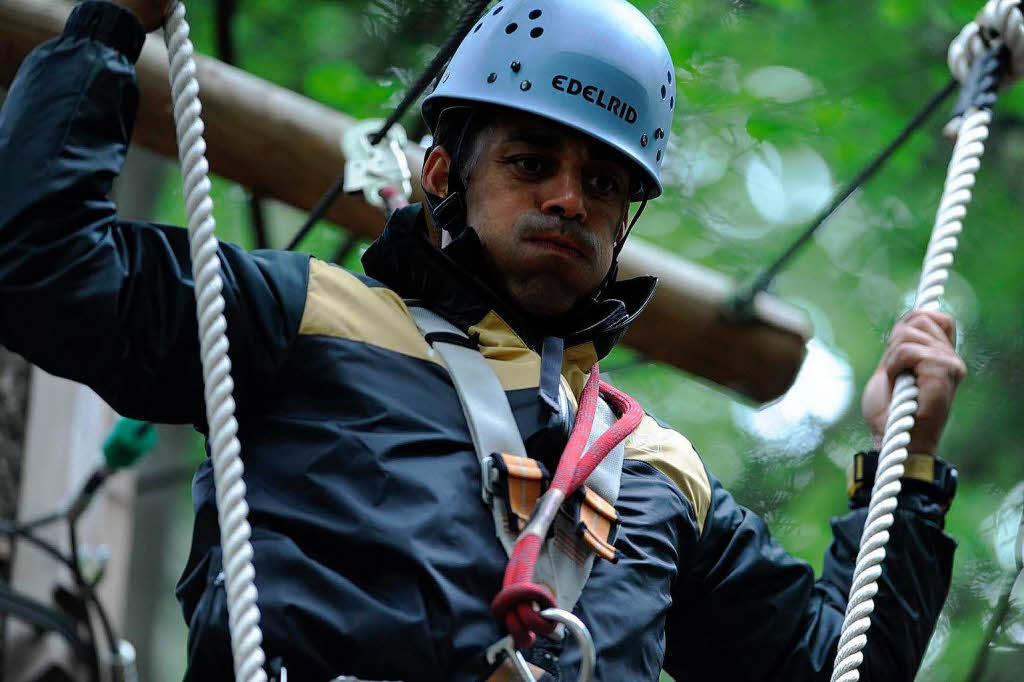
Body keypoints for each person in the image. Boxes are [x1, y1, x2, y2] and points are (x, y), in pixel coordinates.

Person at [0, 1, 966, 680]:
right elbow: (41, 267)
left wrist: (906, 462)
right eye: (532, 162)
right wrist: (109, 26)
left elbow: (837, 668)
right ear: (438, 174)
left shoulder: (657, 470)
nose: (567, 200)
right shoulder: (300, 317)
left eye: (604, 185)